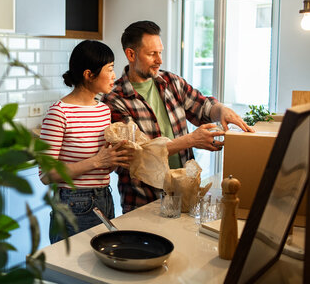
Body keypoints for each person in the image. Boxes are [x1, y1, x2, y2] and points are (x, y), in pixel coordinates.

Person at [102, 20, 253, 213]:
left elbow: (203, 107)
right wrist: (191, 140)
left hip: (184, 196)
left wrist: (220, 109)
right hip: (144, 201)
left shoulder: (171, 82)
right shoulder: (114, 99)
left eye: (160, 52)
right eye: (152, 54)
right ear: (131, 54)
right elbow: (139, 154)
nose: (160, 60)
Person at [39, 40, 133, 243]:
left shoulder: (102, 110)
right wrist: (97, 161)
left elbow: (101, 164)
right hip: (73, 204)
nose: (114, 76)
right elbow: (46, 175)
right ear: (89, 74)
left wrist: (113, 160)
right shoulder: (59, 113)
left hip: (105, 197)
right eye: (109, 69)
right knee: (73, 268)